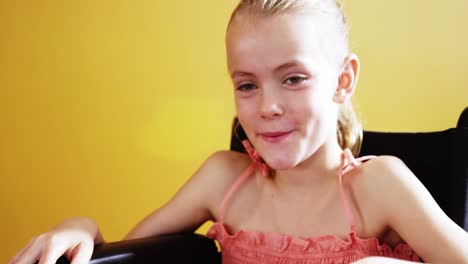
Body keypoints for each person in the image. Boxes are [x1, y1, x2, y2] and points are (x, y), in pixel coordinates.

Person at [9, 0, 468, 263]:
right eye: (247, 84)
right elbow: (132, 252)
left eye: (293, 78)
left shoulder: (380, 186)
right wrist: (81, 229)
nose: (267, 106)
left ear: (343, 81)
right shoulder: (223, 182)